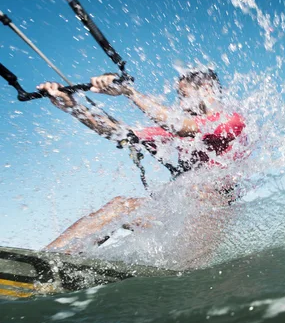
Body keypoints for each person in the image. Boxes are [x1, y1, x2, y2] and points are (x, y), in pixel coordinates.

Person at [40, 70, 247, 252]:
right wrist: (72, 106)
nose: (181, 104)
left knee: (197, 192)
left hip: (208, 220)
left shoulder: (229, 121)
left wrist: (129, 91)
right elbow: (118, 132)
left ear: (206, 89)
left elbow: (180, 126)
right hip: (177, 218)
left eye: (184, 96)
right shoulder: (181, 131)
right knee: (120, 206)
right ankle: (47, 262)